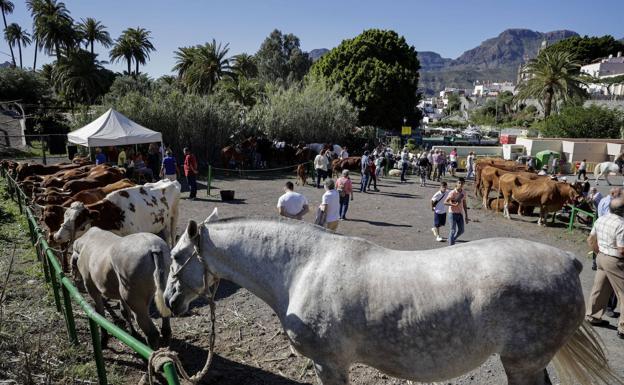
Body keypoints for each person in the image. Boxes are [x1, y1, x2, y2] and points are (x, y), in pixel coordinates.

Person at [585, 196, 624, 339]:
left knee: (599, 288)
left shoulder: (601, 219)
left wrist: (598, 252)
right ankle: (623, 327)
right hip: (615, 260)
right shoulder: (622, 224)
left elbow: (590, 239)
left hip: (601, 257)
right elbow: (621, 249)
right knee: (622, 293)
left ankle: (592, 316)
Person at [444, 177, 469, 246]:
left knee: (461, 230)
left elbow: (464, 204)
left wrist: (466, 216)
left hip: (460, 214)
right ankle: (450, 247)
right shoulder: (452, 192)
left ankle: (452, 239)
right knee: (452, 230)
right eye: (459, 183)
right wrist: (452, 204)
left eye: (462, 183)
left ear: (464, 184)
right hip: (452, 214)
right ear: (456, 183)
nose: (460, 184)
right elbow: (445, 202)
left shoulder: (464, 192)